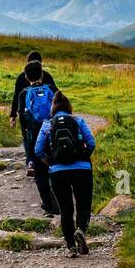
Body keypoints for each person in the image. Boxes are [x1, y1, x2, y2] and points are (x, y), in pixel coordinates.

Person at [34, 92, 96, 256]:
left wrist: (51, 162)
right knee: (83, 204)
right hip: (82, 169)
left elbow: (38, 150)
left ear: (53, 108)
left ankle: (71, 247)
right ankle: (81, 230)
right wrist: (83, 158)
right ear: (69, 107)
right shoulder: (78, 120)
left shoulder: (47, 124)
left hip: (58, 171)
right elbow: (91, 142)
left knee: (66, 209)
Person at [12, 58, 59, 214]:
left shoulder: (24, 94)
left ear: (26, 76)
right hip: (52, 134)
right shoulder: (51, 88)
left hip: (34, 136)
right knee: (55, 167)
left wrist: (27, 141)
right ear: (42, 74)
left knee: (40, 173)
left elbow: (23, 121)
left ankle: (47, 206)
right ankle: (60, 202)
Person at [11, 51, 57, 173]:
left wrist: (13, 115)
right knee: (48, 136)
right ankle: (51, 159)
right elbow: (57, 98)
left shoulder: (22, 80)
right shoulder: (48, 78)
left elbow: (16, 97)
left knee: (28, 137)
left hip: (30, 120)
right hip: (48, 119)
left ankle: (31, 161)